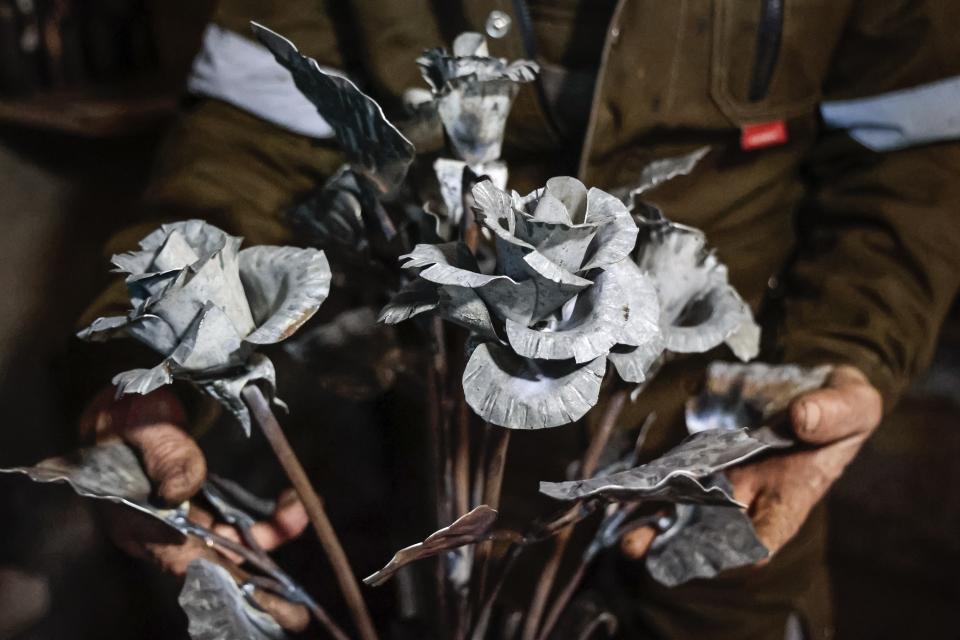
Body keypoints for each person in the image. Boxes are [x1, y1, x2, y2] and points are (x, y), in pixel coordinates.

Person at [74, 1, 960, 638]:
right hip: (418, 475)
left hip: (728, 449)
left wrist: (848, 356)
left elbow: (915, 145)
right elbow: (247, 135)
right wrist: (150, 362)